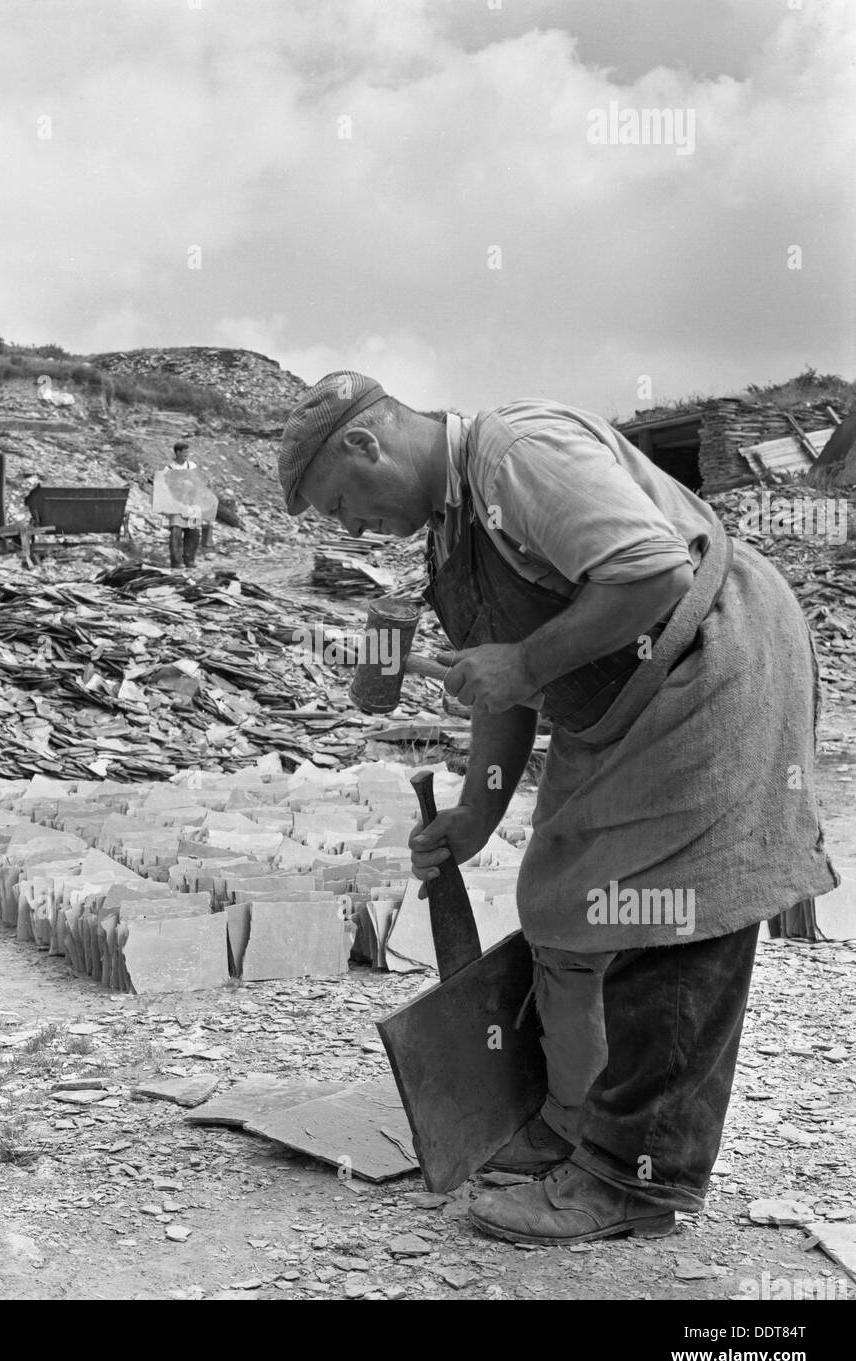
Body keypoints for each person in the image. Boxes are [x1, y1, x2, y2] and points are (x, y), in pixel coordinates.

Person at [278, 371, 837, 1247]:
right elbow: (503, 686)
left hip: (712, 661)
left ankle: (634, 1178)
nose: (349, 529)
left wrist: (529, 666)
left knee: (673, 907)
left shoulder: (515, 455)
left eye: (343, 503)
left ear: (366, 442)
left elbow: (650, 574)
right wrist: (475, 816)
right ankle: (572, 1120)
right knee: (566, 899)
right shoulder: (451, 536)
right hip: (622, 699)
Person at [151, 441, 217, 568]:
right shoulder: (169, 469)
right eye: (184, 452)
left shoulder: (192, 466)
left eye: (188, 452)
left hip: (192, 504)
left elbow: (199, 481)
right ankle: (176, 562)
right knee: (176, 531)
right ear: (178, 452)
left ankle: (189, 560)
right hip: (176, 504)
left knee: (193, 532)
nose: (187, 454)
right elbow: (165, 486)